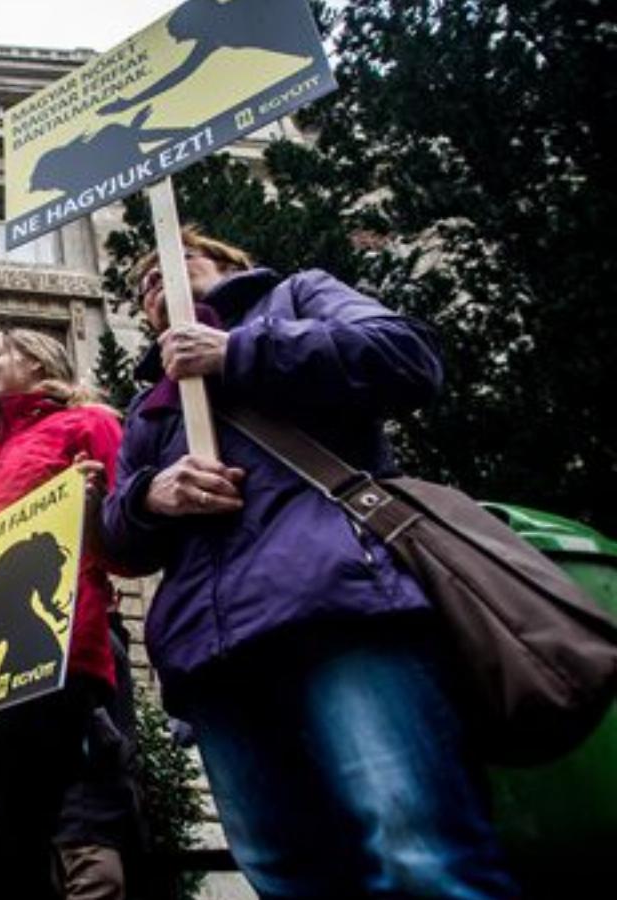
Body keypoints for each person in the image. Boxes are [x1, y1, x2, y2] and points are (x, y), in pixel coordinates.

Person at [99, 227, 518, 897]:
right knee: (284, 873)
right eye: (143, 281)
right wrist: (152, 496)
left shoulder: (297, 298)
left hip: (340, 608)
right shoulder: (150, 402)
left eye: (176, 263)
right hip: (213, 659)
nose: (155, 281)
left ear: (234, 262)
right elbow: (118, 536)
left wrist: (239, 352)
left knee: (420, 854)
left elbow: (407, 356)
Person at [0, 328, 130, 899]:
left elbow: (129, 546)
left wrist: (92, 510)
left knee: (70, 834)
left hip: (66, 660)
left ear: (36, 362)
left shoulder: (92, 425)